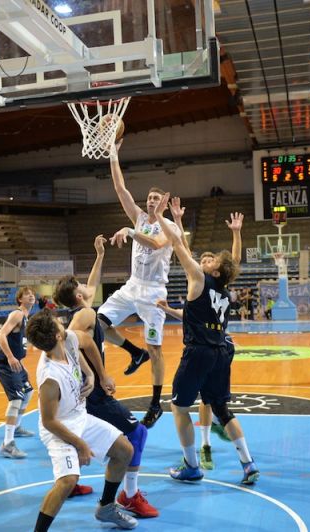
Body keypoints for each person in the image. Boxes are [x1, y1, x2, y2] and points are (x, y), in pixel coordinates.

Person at [153, 193, 258, 485]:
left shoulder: (199, 280)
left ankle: (191, 465)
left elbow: (177, 245)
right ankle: (248, 464)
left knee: (178, 408)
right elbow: (234, 260)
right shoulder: (224, 286)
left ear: (213, 268)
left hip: (199, 352)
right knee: (223, 410)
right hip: (222, 351)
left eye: (211, 259)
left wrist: (162, 217)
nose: (206, 260)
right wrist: (236, 234)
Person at [54, 235, 158, 518]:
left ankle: (71, 482)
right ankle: (129, 495)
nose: (87, 287)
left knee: (87, 438)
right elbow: (66, 340)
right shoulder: (85, 315)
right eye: (81, 287)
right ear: (78, 296)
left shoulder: (85, 310)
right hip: (94, 395)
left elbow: (92, 284)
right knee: (137, 434)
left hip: (83, 393)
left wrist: (99, 255)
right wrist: (97, 375)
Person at [26, 310, 138, 532]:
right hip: (60, 427)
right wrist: (81, 445)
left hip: (80, 417)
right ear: (57, 336)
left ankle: (106, 507)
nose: (62, 323)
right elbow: (49, 422)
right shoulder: (50, 379)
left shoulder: (67, 339)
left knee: (124, 450)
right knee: (68, 480)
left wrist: (96, 374)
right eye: (58, 323)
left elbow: (86, 343)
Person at [98, 140, 180, 428]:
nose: (150, 201)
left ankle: (156, 403)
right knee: (98, 323)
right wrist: (113, 153)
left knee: (156, 348)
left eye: (156, 199)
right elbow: (120, 188)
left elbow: (158, 243)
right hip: (132, 285)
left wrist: (131, 231)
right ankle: (134, 353)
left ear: (164, 203)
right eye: (148, 198)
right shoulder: (139, 217)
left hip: (154, 292)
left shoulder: (171, 227)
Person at [0, 286, 37, 459]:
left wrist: (19, 361)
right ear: (20, 299)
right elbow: (0, 335)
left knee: (29, 392)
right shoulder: (17, 314)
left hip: (15, 362)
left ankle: (16, 427)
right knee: (16, 400)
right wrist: (11, 357)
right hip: (5, 362)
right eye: (27, 294)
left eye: (32, 294)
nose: (31, 296)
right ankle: (7, 445)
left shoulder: (26, 317)